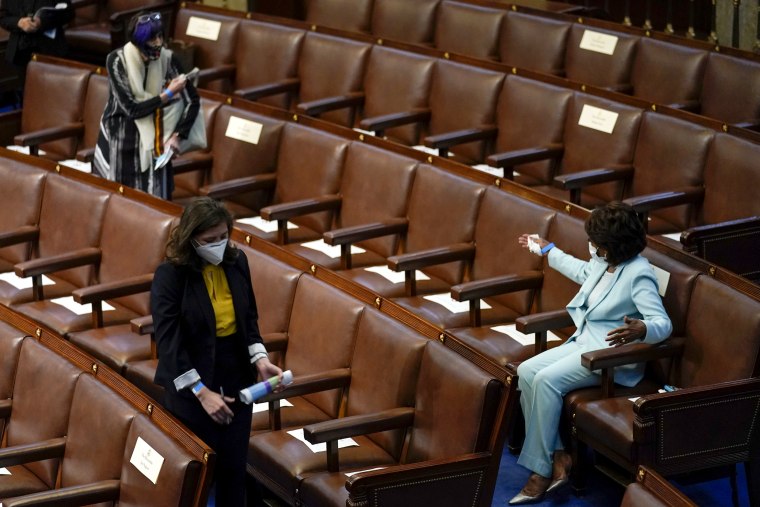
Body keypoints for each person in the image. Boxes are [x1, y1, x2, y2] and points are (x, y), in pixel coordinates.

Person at [509, 202, 672, 505]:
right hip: (583, 341)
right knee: (526, 372)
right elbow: (582, 271)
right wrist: (548, 250)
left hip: (609, 356)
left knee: (545, 380)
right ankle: (558, 456)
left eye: (595, 241)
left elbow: (663, 324)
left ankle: (540, 472)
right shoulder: (603, 261)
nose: (591, 246)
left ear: (611, 245)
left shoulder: (639, 274)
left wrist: (642, 329)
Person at [151, 197, 283, 507]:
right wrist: (201, 391)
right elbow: (170, 345)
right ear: (191, 238)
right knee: (196, 476)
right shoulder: (170, 276)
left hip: (235, 373)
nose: (219, 245)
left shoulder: (238, 263)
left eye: (223, 237)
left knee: (233, 470)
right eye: (210, 240)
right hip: (190, 381)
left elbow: (248, 320)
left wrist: (260, 359)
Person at [93, 11, 200, 199]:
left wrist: (178, 136)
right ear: (138, 41)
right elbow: (132, 109)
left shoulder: (168, 59)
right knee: (118, 205)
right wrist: (168, 94)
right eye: (152, 39)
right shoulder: (117, 60)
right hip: (120, 139)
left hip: (157, 141)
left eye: (160, 36)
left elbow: (193, 100)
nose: (159, 43)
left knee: (156, 207)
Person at [0, 0, 73, 100]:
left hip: (50, 50)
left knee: (55, 99)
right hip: (21, 53)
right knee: (29, 100)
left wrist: (42, 22)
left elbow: (68, 12)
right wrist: (19, 23)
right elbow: (3, 17)